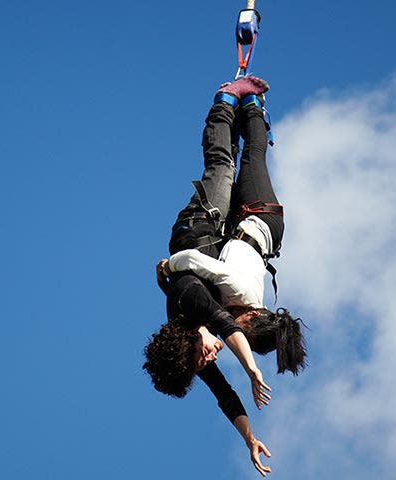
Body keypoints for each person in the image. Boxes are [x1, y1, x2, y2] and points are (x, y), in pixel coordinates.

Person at [144, 76, 275, 476]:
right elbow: (225, 396)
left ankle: (224, 98)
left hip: (201, 225)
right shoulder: (196, 343)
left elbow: (224, 324)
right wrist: (248, 438)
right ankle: (251, 111)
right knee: (246, 167)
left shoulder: (189, 303)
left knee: (221, 162)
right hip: (222, 239)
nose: (211, 356)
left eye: (203, 355)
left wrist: (253, 369)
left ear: (187, 343)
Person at [157, 89, 307, 377]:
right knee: (252, 158)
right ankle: (252, 105)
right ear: (252, 315)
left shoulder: (231, 305)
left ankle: (238, 111)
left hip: (239, 226)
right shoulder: (240, 291)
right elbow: (192, 260)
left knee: (227, 165)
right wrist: (168, 266)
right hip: (260, 216)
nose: (233, 330)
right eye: (242, 330)